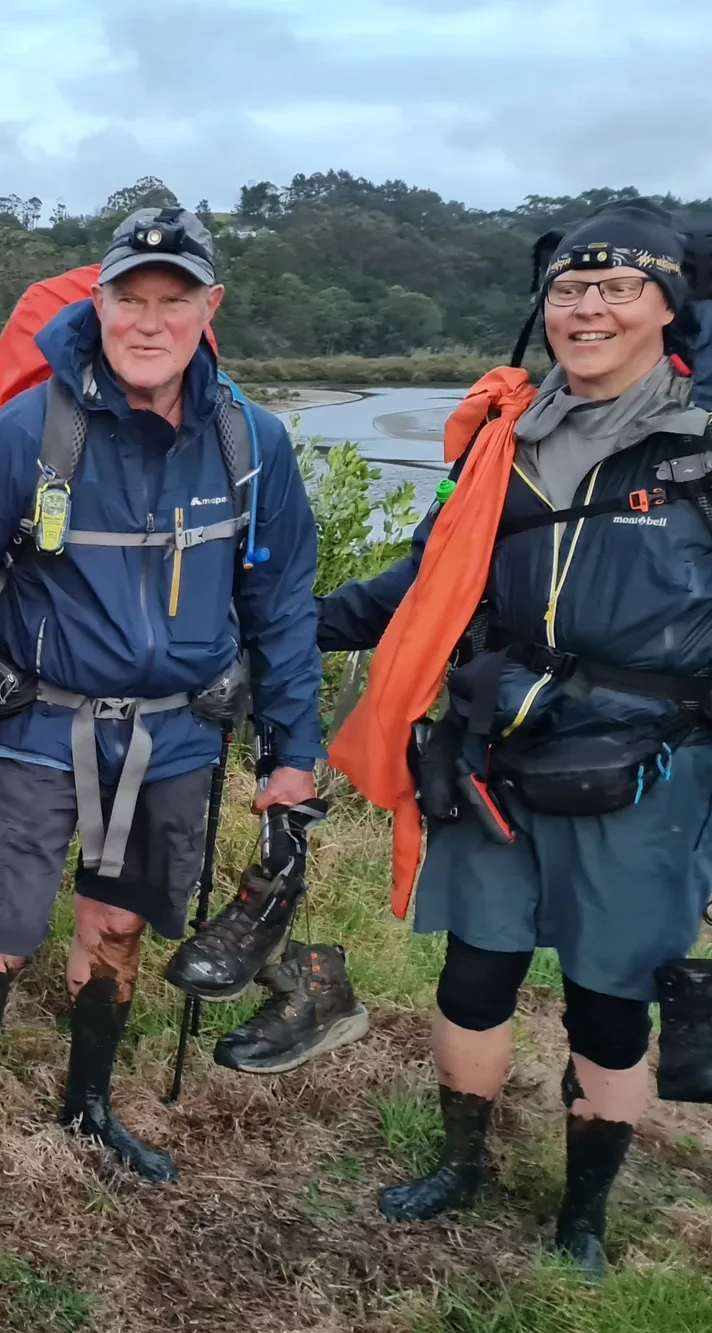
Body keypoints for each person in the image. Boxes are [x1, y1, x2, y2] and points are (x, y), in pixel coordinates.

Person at [0, 207, 325, 1253]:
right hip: (40, 728)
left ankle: (87, 1105)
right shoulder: (25, 434)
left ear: (208, 310)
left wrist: (291, 749)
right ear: (100, 302)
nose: (149, 318)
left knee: (117, 930)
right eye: (131, 296)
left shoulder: (247, 443)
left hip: (175, 739)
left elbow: (283, 601)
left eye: (175, 299)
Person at [324, 199, 712, 1280]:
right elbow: (420, 582)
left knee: (609, 1000)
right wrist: (286, 623)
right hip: (491, 763)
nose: (585, 307)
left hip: (645, 778)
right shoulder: (504, 440)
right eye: (566, 290)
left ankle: (580, 1215)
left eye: (615, 287)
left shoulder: (696, 445)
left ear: (665, 305)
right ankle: (459, 1165)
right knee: (471, 979)